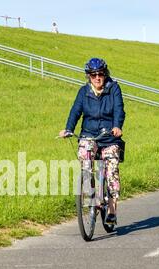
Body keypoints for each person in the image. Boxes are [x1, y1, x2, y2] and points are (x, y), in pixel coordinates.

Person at [59, 58, 125, 225]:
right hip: (89, 134)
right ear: (88, 76)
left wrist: (117, 126)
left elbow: (119, 109)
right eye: (93, 75)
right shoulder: (83, 92)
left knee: (111, 169)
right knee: (85, 162)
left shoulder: (114, 88)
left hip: (109, 136)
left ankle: (111, 208)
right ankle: (92, 196)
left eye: (100, 74)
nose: (97, 78)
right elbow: (75, 111)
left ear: (105, 74)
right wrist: (68, 129)